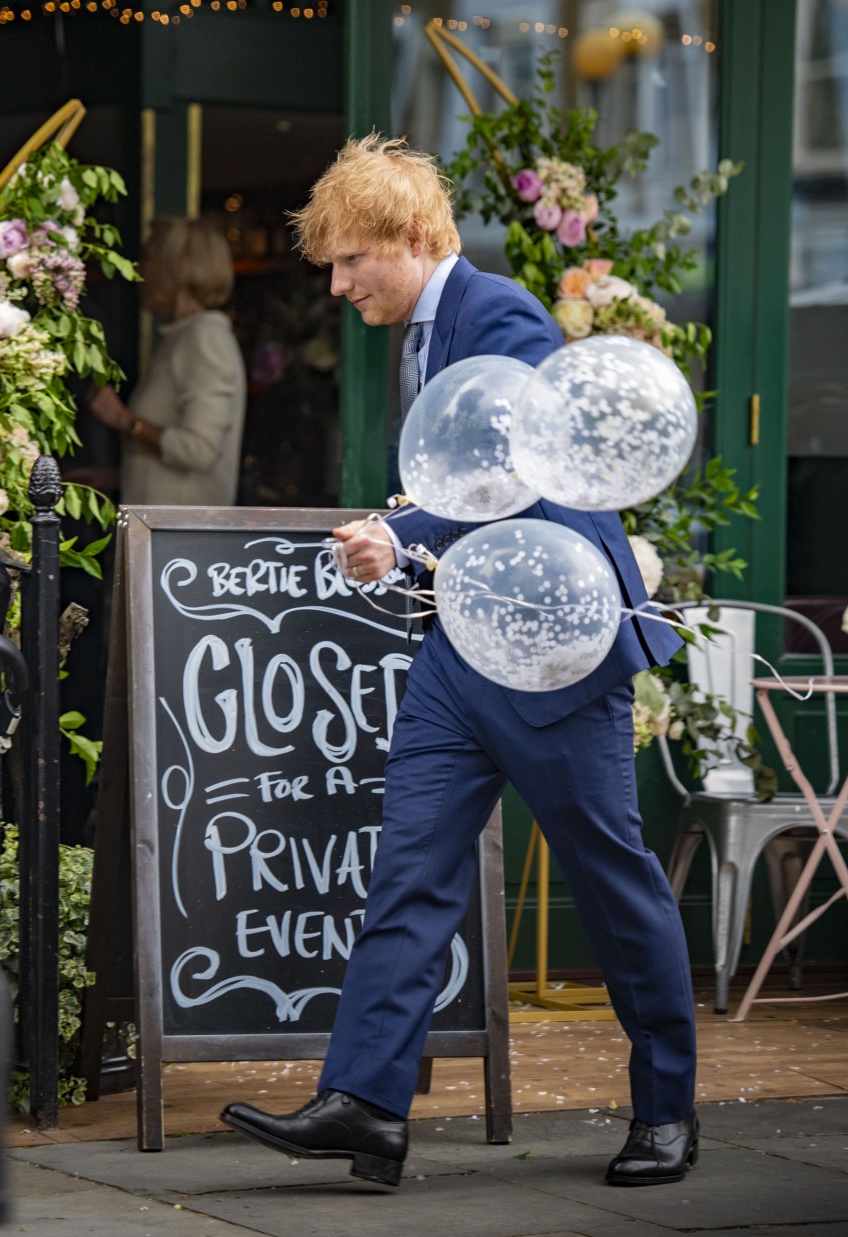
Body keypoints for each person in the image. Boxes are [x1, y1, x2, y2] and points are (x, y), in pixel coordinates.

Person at [221, 135, 698, 1190]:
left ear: (412, 238)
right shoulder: (424, 329)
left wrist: (402, 535)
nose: (338, 285)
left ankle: (667, 1107)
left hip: (552, 657)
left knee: (613, 885)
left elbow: (528, 467)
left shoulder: (501, 315)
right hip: (459, 649)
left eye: (351, 262)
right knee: (410, 874)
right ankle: (368, 1104)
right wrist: (406, 540)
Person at [87, 216, 246, 506]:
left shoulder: (204, 336)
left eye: (147, 258)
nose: (138, 269)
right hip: (167, 535)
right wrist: (111, 476)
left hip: (183, 543)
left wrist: (123, 419)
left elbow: (199, 450)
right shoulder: (183, 337)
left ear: (175, 268)